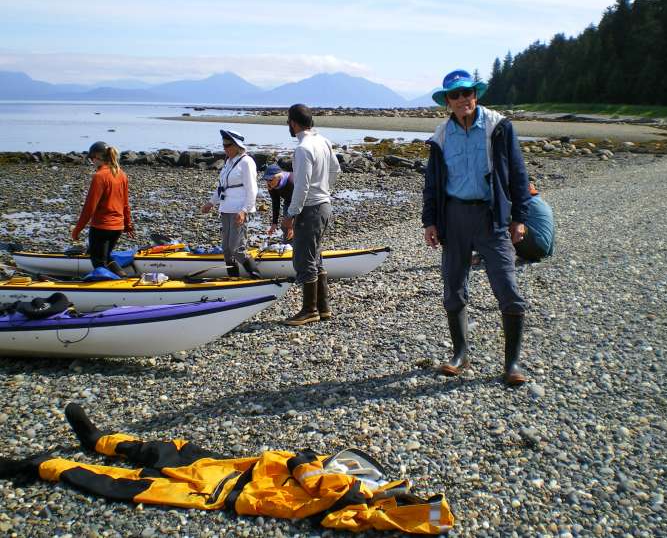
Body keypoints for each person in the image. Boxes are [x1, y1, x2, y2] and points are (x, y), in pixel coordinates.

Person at [0, 403, 455, 534]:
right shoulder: (371, 488)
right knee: (167, 450)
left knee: (123, 484)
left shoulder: (355, 508)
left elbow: (318, 485)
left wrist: (303, 465)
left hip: (228, 495)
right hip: (241, 469)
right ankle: (98, 440)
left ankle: (37, 466)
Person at [422, 69, 532, 385]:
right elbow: (432, 182)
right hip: (453, 217)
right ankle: (460, 355)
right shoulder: (441, 136)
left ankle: (512, 364)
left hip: (491, 217)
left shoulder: (499, 128)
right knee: (453, 288)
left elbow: (518, 173)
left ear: (476, 94)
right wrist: (429, 221)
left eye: (466, 93)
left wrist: (519, 217)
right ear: (447, 101)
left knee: (508, 288)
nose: (462, 99)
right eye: (454, 95)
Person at [282, 104, 341, 326]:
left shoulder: (303, 148)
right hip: (324, 204)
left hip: (310, 207)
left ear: (293, 123)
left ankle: (309, 310)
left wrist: (291, 213)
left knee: (303, 258)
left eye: (288, 122)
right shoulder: (323, 141)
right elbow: (335, 169)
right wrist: (325, 189)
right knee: (315, 256)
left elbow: (301, 185)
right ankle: (323, 308)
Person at [201, 129, 260, 278]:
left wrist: (244, 210)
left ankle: (256, 276)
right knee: (226, 250)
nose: (225, 148)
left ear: (237, 146)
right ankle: (233, 278)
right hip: (226, 209)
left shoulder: (246, 162)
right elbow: (222, 187)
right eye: (224, 145)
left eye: (228, 145)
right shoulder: (228, 162)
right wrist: (211, 203)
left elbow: (252, 189)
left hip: (238, 210)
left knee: (236, 248)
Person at [71, 141, 134, 277]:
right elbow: (125, 203)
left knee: (98, 262)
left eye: (91, 159)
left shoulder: (99, 176)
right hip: (117, 227)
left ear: (97, 157)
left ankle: (113, 285)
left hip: (102, 227)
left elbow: (89, 208)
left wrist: (77, 230)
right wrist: (128, 225)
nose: (92, 162)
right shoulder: (121, 174)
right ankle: (123, 277)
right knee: (106, 256)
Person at [514, 183, 555, 262]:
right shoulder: (541, 202)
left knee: (505, 221)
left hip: (536, 248)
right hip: (544, 250)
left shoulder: (527, 203)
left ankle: (495, 255)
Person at [261, 163, 295, 243]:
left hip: (304, 201)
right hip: (288, 201)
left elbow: (297, 202)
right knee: (285, 226)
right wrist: (274, 223)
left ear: (279, 177)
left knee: (296, 225)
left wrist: (292, 222)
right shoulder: (271, 185)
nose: (268, 182)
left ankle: (296, 246)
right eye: (266, 180)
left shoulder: (291, 181)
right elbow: (276, 202)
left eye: (270, 179)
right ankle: (287, 245)